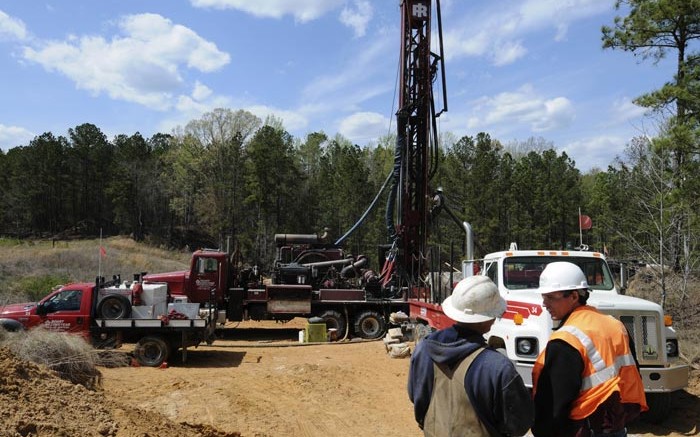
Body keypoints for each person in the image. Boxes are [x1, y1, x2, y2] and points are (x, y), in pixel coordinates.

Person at [532, 262, 648, 437]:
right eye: (544, 296)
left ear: (573, 296)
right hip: (615, 427)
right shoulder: (615, 325)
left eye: (550, 297)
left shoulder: (565, 341)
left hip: (582, 429)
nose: (544, 303)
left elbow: (554, 405)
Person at [408, 275, 534, 436]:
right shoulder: (497, 366)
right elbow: (519, 423)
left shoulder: (423, 349)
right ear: (488, 317)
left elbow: (416, 397)